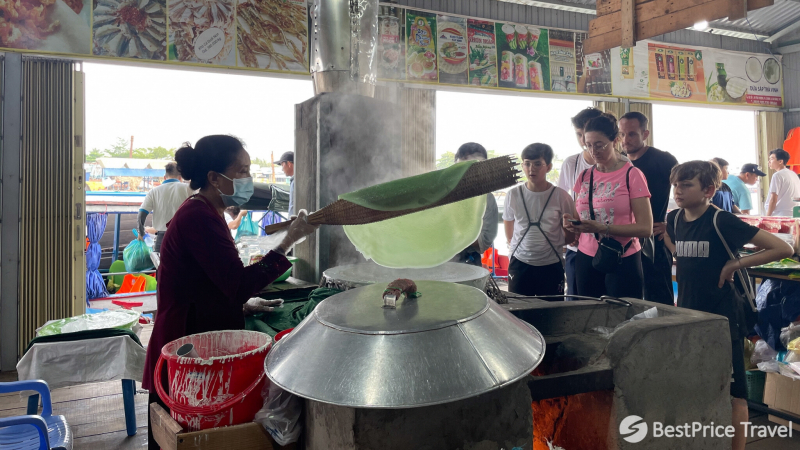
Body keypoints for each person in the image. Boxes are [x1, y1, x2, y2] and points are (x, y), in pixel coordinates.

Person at [142, 135, 317, 450]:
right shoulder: (198, 216)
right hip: (188, 345)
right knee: (185, 436)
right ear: (213, 178)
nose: (248, 179)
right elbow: (237, 283)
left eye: (249, 170)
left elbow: (210, 279)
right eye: (241, 171)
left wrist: (243, 304)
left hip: (196, 328)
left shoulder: (209, 211)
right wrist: (288, 241)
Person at [663, 160, 792, 450]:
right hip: (688, 314)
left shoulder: (722, 220)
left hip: (723, 318)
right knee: (695, 385)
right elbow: (679, 250)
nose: (678, 191)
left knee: (735, 393)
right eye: (676, 185)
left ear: (708, 189)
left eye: (686, 185)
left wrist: (736, 263)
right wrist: (671, 247)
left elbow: (783, 248)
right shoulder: (674, 219)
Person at [563, 113, 653, 299]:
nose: (593, 151)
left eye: (599, 145)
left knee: (623, 318)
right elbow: (577, 216)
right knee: (588, 317)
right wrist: (570, 223)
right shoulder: (585, 176)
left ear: (615, 140)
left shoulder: (632, 175)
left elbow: (645, 228)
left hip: (622, 256)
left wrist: (604, 228)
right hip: (586, 257)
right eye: (588, 145)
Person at [620, 111, 678, 305]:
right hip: (623, 240)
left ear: (645, 134)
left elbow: (688, 193)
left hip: (655, 240)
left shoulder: (663, 160)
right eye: (621, 134)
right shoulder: (616, 163)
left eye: (632, 134)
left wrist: (670, 224)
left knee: (659, 296)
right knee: (627, 297)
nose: (625, 139)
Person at [503, 143, 574, 296]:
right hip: (519, 263)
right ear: (522, 165)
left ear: (548, 167)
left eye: (537, 164)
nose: (531, 169)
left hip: (550, 264)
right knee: (518, 313)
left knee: (551, 313)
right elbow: (509, 230)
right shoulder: (513, 195)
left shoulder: (561, 196)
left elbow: (571, 235)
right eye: (527, 164)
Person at [558, 107, 603, 299]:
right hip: (577, 247)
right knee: (576, 300)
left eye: (586, 133)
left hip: (609, 245)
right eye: (579, 134)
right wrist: (568, 229)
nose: (584, 140)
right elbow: (562, 202)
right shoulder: (571, 163)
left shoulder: (624, 165)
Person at [451, 143, 498, 266]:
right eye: (461, 167)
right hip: (436, 261)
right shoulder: (442, 192)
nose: (466, 173)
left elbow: (485, 241)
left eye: (474, 168)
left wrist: (455, 231)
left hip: (468, 261)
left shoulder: (487, 198)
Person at [137, 162, 193, 252]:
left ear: (164, 177)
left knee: (161, 263)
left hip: (162, 238)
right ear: (180, 178)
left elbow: (141, 214)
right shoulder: (189, 189)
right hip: (184, 237)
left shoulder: (154, 192)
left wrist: (141, 232)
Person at [765, 149, 800, 216]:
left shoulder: (777, 175)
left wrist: (767, 217)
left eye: (772, 159)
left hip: (780, 215)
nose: (769, 162)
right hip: (794, 213)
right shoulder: (793, 174)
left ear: (780, 161)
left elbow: (773, 199)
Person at [275, 151, 295, 216]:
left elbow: (293, 207)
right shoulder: (294, 181)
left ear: (289, 164)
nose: (282, 169)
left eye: (282, 165)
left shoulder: (296, 182)